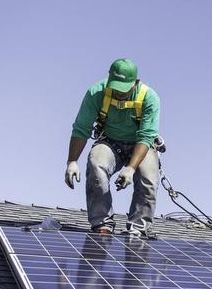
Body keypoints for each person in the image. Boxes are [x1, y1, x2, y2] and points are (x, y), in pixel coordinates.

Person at [64, 58, 162, 236]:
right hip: (110, 141)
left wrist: (131, 169)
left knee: (148, 177)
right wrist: (72, 161)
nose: (118, 92)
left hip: (140, 145)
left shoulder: (149, 98)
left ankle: (138, 229)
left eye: (123, 88)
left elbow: (146, 136)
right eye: (115, 86)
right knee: (96, 165)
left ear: (135, 83)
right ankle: (102, 224)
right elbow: (81, 128)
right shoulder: (96, 93)